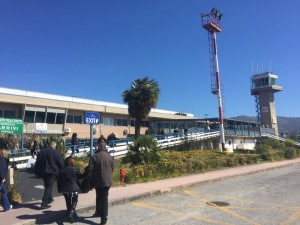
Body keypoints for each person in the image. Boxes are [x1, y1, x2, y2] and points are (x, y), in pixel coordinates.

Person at [91, 136, 114, 225]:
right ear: (105, 146)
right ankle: (103, 218)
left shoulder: (95, 156)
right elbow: (112, 169)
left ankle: (99, 213)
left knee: (98, 196)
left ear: (98, 145)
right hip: (107, 181)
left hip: (97, 181)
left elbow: (90, 169)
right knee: (104, 198)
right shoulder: (109, 156)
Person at [35, 141, 64, 209]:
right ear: (54, 146)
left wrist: (37, 171)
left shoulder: (42, 152)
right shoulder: (55, 152)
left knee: (47, 185)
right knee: (49, 186)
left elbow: (37, 162)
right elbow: (60, 163)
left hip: (43, 172)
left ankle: (50, 198)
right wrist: (62, 169)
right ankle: (44, 202)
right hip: (51, 172)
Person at [57, 156, 85, 223]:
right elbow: (80, 177)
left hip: (65, 188)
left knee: (68, 201)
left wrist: (59, 188)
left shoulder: (62, 170)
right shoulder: (76, 169)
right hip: (75, 188)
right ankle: (71, 213)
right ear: (72, 162)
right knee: (75, 200)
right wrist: (85, 173)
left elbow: (59, 180)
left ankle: (69, 212)